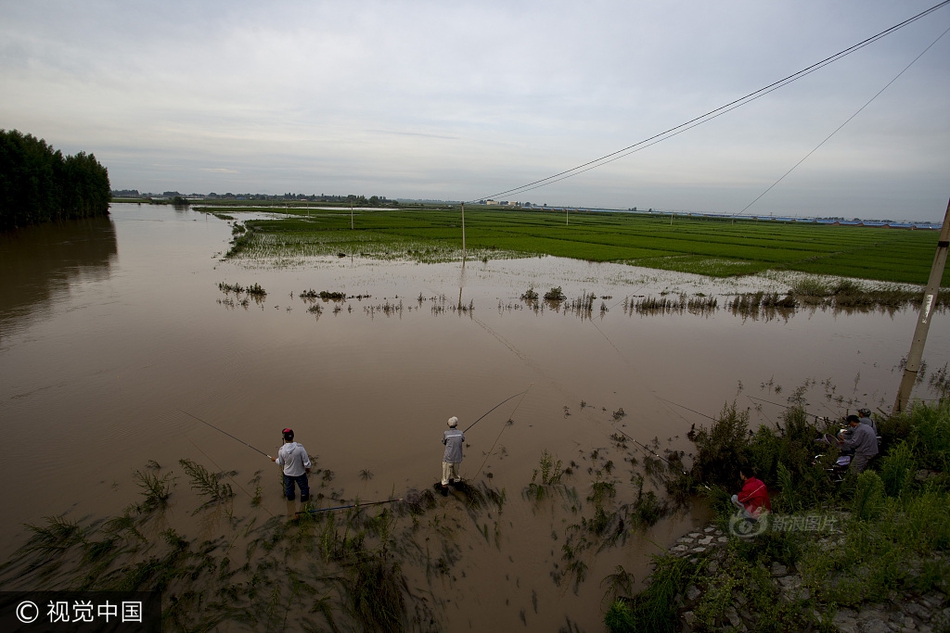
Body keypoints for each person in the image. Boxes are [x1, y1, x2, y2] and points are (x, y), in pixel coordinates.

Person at [271, 428, 311, 501]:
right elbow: (306, 461)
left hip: (288, 474)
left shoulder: (281, 450)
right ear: (293, 436)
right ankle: (304, 501)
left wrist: (275, 460)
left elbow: (281, 462)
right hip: (300, 473)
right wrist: (308, 468)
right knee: (304, 488)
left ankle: (290, 501)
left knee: (289, 489)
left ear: (284, 438)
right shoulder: (300, 447)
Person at [441, 416, 465, 495]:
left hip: (448, 458)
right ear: (457, 424)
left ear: (448, 424)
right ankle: (458, 488)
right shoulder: (461, 433)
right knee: (456, 475)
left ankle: (444, 494)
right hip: (457, 458)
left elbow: (444, 442)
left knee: (445, 478)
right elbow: (463, 439)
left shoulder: (446, 433)